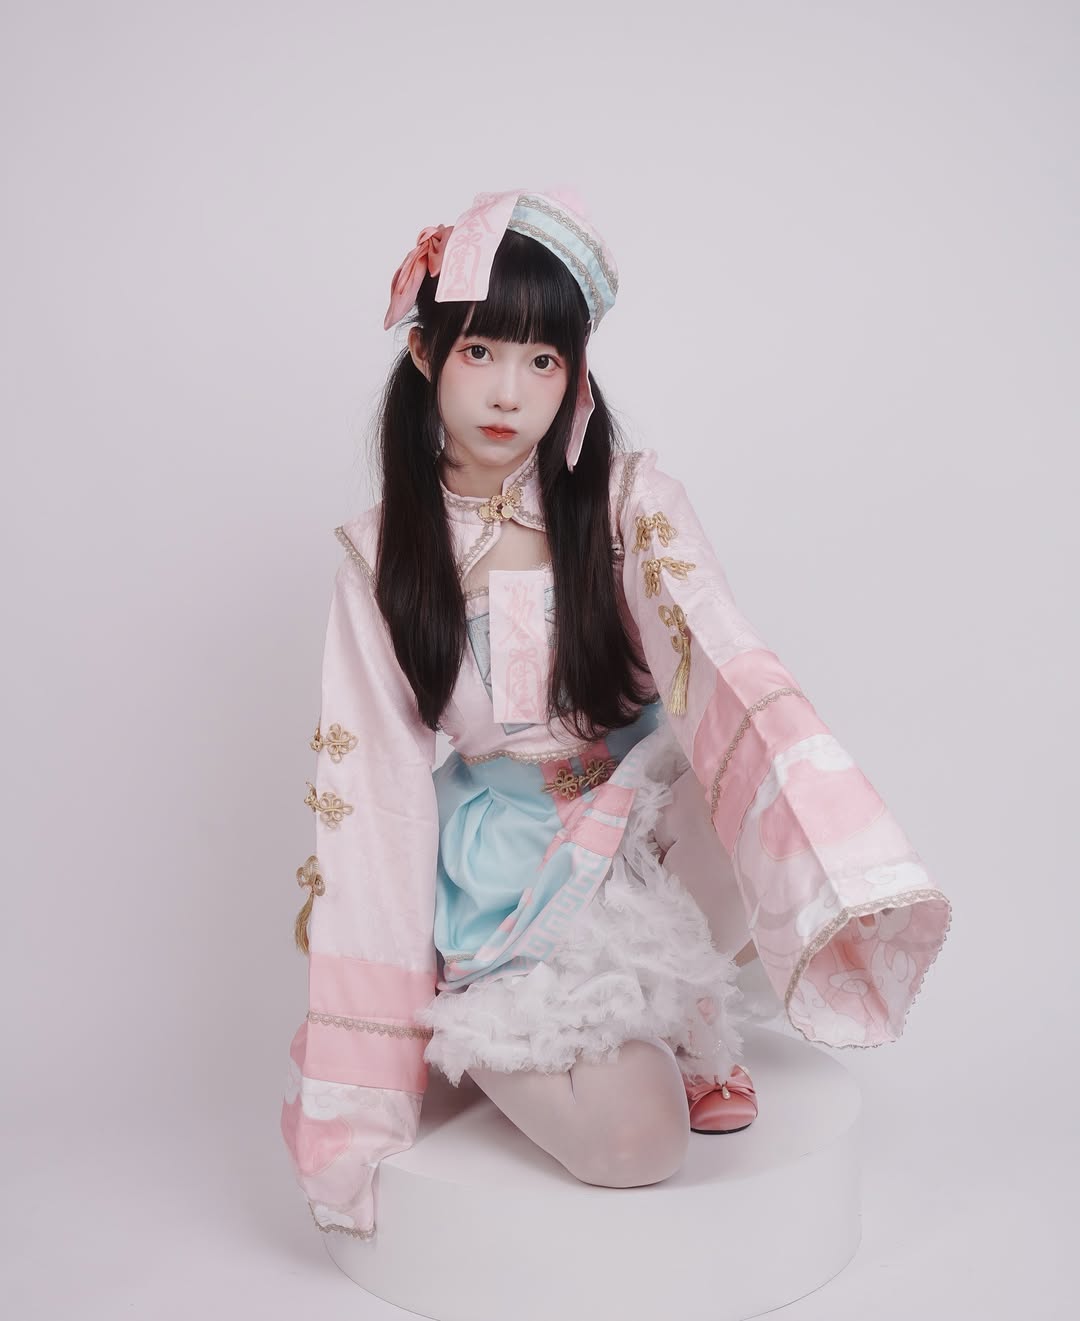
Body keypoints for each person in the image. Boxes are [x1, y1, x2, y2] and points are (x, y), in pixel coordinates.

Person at [279, 188, 952, 1241]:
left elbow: (722, 669)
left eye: (543, 360)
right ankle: (501, 1028)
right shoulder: (381, 556)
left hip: (647, 834)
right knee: (638, 1146)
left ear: (576, 376)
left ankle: (684, 1015)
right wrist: (374, 1055)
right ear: (424, 352)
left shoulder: (628, 504)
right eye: (481, 351)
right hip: (510, 872)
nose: (509, 392)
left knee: (743, 774)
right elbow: (374, 794)